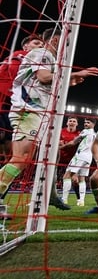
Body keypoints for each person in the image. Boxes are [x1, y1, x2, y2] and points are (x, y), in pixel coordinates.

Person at [0, 27, 98, 217]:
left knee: (45, 157)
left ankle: (50, 194)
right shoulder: (43, 53)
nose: (67, 47)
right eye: (66, 42)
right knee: (21, 159)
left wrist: (71, 80)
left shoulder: (48, 58)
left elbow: (46, 82)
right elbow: (44, 78)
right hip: (28, 111)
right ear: (55, 41)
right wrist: (77, 73)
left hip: (38, 113)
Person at [0, 33, 44, 214]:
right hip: (4, 105)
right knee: (18, 157)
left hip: (13, 108)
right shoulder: (20, 55)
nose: (39, 46)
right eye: (35, 43)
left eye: (41, 44)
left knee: (16, 158)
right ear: (25, 46)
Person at [60, 117, 96, 206]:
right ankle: (81, 201)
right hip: (88, 158)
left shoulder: (85, 131)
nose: (86, 124)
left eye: (88, 122)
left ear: (93, 124)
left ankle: (64, 199)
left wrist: (62, 147)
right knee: (82, 178)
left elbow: (73, 142)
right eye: (85, 122)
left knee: (67, 176)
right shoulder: (94, 134)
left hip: (80, 156)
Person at [58, 116, 81, 203]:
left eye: (74, 121)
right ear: (67, 123)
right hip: (59, 158)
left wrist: (63, 145)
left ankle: (79, 199)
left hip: (72, 159)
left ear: (77, 124)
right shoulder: (61, 131)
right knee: (52, 178)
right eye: (70, 121)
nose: (72, 122)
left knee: (75, 179)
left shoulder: (79, 134)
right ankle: (52, 196)